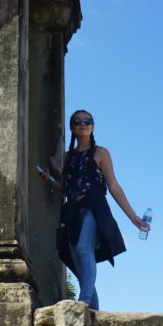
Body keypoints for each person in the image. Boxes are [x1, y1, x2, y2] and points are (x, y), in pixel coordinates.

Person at [37, 110, 148, 310]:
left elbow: (113, 186)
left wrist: (133, 217)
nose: (83, 124)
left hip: (94, 207)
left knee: (83, 248)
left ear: (93, 126)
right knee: (79, 267)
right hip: (71, 210)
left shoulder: (101, 153)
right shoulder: (66, 157)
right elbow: (68, 189)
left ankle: (84, 300)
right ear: (72, 127)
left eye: (87, 121)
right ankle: (92, 314)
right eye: (77, 121)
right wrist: (50, 181)